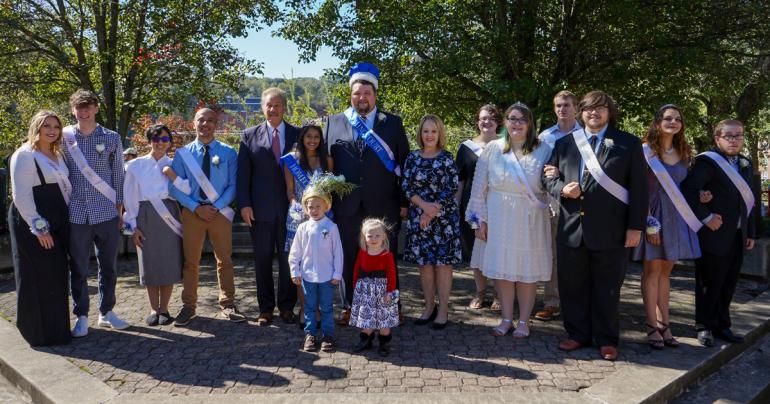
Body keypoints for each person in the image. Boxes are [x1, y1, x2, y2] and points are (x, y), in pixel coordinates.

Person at [542, 90, 647, 361]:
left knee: (608, 288)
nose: (594, 113)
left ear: (609, 112)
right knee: (572, 286)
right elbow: (548, 178)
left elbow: (640, 189)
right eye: (589, 109)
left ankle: (607, 338)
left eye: (600, 108)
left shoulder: (629, 143)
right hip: (572, 228)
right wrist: (563, 188)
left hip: (612, 230)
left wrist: (635, 227)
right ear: (582, 113)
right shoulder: (565, 144)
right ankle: (577, 334)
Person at [324, 62, 409, 325]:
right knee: (350, 255)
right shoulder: (334, 121)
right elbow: (328, 165)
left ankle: (390, 307)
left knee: (386, 257)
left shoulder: (392, 123)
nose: (362, 98)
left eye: (367, 93)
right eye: (357, 94)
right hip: (347, 205)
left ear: (375, 95)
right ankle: (350, 307)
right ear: (351, 95)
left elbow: (404, 165)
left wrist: (404, 202)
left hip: (383, 201)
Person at [467, 103, 552, 339]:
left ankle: (524, 321)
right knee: (503, 272)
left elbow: (551, 185)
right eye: (512, 118)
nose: (516, 123)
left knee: (526, 272)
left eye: (522, 119)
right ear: (505, 122)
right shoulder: (493, 148)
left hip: (530, 220)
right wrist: (478, 221)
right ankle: (506, 319)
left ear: (530, 123)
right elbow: (478, 189)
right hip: (498, 216)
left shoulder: (544, 149)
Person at [681, 119, 758, 347]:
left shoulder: (746, 163)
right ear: (718, 138)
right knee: (709, 283)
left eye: (738, 136)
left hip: (737, 235)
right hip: (713, 234)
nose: (734, 140)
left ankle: (722, 325)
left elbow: (751, 201)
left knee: (729, 282)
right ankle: (704, 326)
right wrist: (706, 217)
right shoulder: (707, 162)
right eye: (729, 136)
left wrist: (751, 232)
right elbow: (688, 190)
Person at [632, 105, 701, 349]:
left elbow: (687, 187)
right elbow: (637, 188)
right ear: (658, 122)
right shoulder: (645, 152)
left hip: (677, 217)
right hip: (653, 217)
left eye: (678, 119)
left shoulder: (684, 153)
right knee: (651, 272)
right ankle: (651, 326)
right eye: (668, 118)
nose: (673, 122)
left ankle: (665, 324)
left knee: (665, 274)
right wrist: (648, 223)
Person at [168, 108, 244, 326]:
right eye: (202, 120)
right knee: (191, 262)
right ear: (194, 123)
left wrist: (217, 206)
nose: (206, 124)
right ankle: (189, 306)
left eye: (211, 120)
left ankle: (228, 304)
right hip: (193, 213)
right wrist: (196, 207)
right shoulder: (183, 154)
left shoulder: (229, 152)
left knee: (225, 261)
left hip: (219, 213)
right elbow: (173, 188)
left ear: (216, 124)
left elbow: (233, 185)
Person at [63, 89, 128, 337]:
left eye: (88, 106)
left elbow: (119, 175)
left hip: (106, 212)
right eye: (79, 107)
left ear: (96, 108)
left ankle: (106, 312)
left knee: (108, 266)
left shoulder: (111, 137)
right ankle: (81, 316)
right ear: (73, 110)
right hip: (77, 212)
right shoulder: (65, 139)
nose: (84, 111)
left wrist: (119, 208)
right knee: (78, 267)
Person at [8, 110, 72, 346]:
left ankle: (57, 331)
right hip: (33, 221)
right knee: (36, 275)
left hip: (56, 218)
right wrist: (39, 229)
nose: (52, 130)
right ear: (37, 127)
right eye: (47, 126)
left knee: (55, 275)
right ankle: (38, 333)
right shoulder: (25, 155)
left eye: (56, 126)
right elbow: (21, 197)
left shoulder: (57, 153)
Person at [237, 87, 300, 326]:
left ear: (284, 107)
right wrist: (244, 204)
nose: (272, 109)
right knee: (262, 260)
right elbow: (243, 175)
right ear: (262, 108)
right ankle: (265, 309)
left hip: (291, 211)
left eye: (277, 105)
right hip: (259, 211)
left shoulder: (298, 134)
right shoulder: (248, 135)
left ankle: (286, 307)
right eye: (268, 105)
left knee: (289, 259)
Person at [402, 114, 462, 330]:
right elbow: (407, 186)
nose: (429, 135)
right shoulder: (412, 158)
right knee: (425, 265)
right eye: (426, 131)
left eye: (433, 131)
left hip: (443, 219)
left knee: (443, 265)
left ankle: (443, 310)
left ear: (440, 134)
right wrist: (423, 207)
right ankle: (428, 307)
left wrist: (432, 210)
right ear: (420, 133)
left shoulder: (447, 157)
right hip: (420, 218)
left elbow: (451, 187)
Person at [123, 125, 186, 326]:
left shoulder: (176, 164)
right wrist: (133, 225)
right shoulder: (134, 166)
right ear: (149, 140)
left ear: (170, 142)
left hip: (169, 214)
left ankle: (165, 309)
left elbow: (188, 190)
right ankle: (153, 308)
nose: (160, 143)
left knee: (168, 261)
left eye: (165, 139)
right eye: (156, 139)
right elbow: (129, 196)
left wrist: (174, 176)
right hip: (145, 215)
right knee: (149, 262)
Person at [535, 90, 582, 321]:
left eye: (566, 105)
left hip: (581, 203)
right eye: (558, 106)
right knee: (554, 253)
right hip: (552, 202)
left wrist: (560, 173)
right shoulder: (545, 136)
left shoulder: (586, 134)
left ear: (576, 108)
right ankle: (552, 301)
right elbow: (541, 171)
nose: (562, 109)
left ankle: (577, 301)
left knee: (579, 253)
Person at [282, 125, 334, 326]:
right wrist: (296, 205)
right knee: (302, 266)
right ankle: (305, 308)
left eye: (316, 137)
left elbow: (331, 191)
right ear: (302, 138)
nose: (312, 140)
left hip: (322, 217)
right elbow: (290, 190)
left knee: (321, 264)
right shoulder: (292, 160)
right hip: (299, 218)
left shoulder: (327, 160)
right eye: (308, 136)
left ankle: (321, 309)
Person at [289, 182, 344, 353]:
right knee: (310, 307)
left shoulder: (331, 227)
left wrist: (337, 273)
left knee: (327, 307)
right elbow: (295, 252)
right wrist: (295, 271)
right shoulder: (302, 228)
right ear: (305, 208)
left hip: (327, 276)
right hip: (307, 276)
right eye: (310, 206)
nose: (314, 210)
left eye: (318, 206)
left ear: (326, 206)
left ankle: (328, 335)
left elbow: (338, 253)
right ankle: (310, 334)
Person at [456, 104, 501, 311]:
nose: (487, 122)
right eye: (483, 118)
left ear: (498, 122)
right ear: (478, 121)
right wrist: (455, 207)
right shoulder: (466, 147)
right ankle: (480, 293)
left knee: (499, 250)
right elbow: (460, 181)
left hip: (500, 205)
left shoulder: (506, 145)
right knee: (477, 251)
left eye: (491, 118)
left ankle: (499, 295)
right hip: (473, 205)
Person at [350, 218, 399, 356]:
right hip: (365, 290)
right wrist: (355, 285)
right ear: (364, 237)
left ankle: (384, 343)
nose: (373, 238)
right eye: (370, 235)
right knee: (367, 319)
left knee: (385, 320)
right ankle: (366, 340)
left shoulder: (387, 255)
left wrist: (390, 291)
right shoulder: (362, 252)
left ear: (384, 236)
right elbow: (356, 268)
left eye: (377, 235)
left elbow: (392, 274)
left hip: (384, 291)